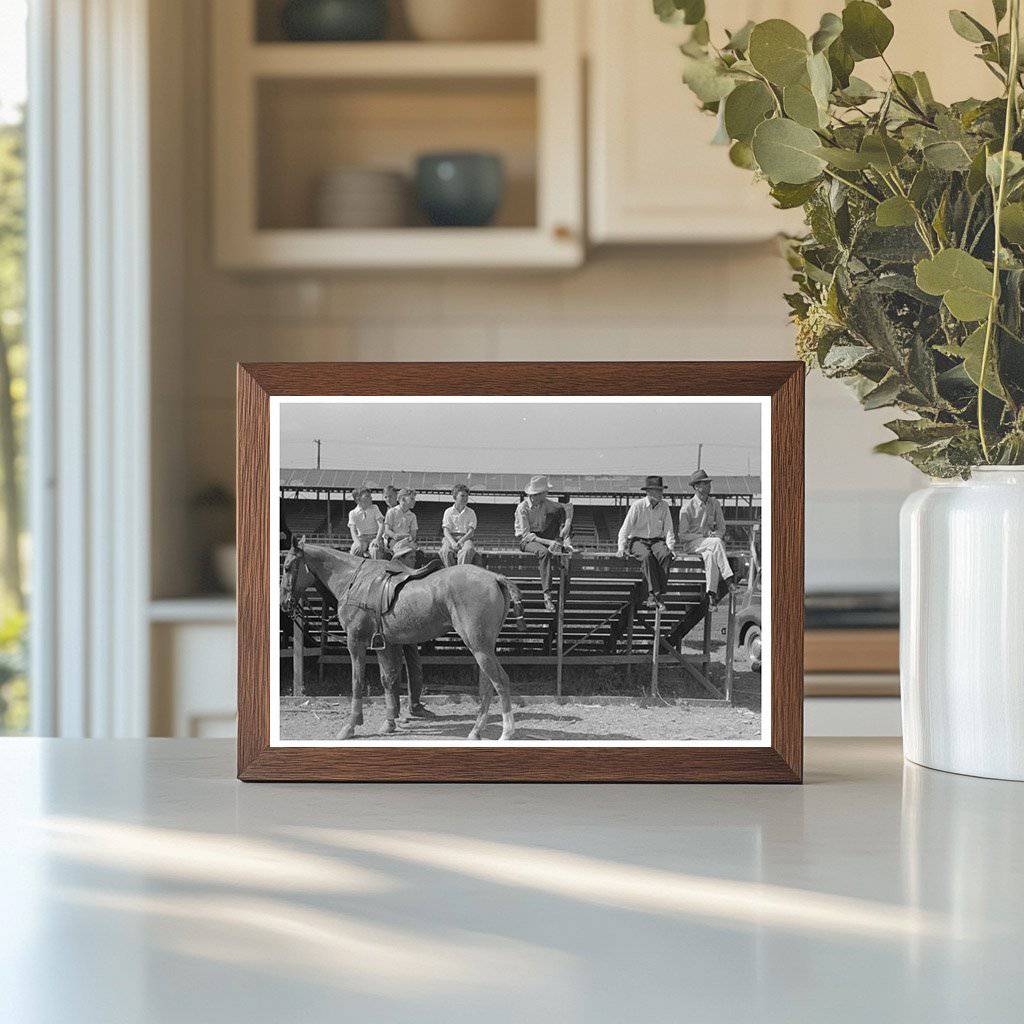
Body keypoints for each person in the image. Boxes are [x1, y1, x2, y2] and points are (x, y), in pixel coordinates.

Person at [678, 468, 736, 605]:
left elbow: (722, 527)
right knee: (715, 543)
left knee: (710, 555)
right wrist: (703, 535)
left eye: (708, 483)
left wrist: (717, 534)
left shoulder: (714, 503)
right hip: (692, 544)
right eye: (705, 484)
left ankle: (711, 595)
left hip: (710, 543)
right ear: (696, 487)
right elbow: (682, 535)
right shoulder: (687, 507)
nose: (709, 486)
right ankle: (729, 580)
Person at [616, 475, 675, 610]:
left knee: (666, 556)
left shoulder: (664, 506)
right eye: (657, 490)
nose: (661, 493)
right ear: (649, 492)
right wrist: (621, 547)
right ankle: (657, 595)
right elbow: (625, 528)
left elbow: (669, 530)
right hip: (638, 540)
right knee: (647, 557)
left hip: (657, 541)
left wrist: (671, 548)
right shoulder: (638, 506)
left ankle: (654, 595)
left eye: (661, 490)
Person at [514, 475, 569, 612]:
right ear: (537, 494)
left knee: (560, 516)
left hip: (544, 535)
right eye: (545, 492)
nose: (547, 494)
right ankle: (547, 594)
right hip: (527, 540)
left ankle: (566, 544)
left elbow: (564, 508)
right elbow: (526, 535)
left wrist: (567, 519)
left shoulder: (547, 504)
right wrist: (549, 542)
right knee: (544, 552)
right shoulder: (523, 508)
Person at [440, 483, 478, 567]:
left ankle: (461, 571)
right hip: (450, 537)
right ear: (455, 497)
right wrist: (453, 542)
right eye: (462, 496)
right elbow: (446, 530)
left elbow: (471, 532)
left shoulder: (471, 512)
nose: (465, 498)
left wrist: (461, 541)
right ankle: (450, 571)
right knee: (445, 551)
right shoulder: (448, 512)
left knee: (468, 550)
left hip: (465, 538)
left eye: (467, 496)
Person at [383, 487, 418, 568]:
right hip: (394, 540)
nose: (414, 501)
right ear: (403, 499)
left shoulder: (412, 516)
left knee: (413, 552)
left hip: (406, 541)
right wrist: (394, 535)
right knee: (402, 552)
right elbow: (387, 530)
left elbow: (413, 534)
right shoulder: (392, 512)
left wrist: (408, 538)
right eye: (412, 499)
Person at [347, 485, 384, 558]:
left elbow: (381, 525)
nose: (371, 498)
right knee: (355, 550)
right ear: (358, 500)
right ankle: (355, 568)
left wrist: (377, 539)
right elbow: (353, 531)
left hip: (374, 536)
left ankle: (375, 568)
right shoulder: (353, 513)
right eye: (367, 496)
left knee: (375, 550)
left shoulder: (375, 508)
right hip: (361, 538)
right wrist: (357, 543)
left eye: (370, 496)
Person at [372, 484, 400, 559]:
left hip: (396, 539)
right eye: (386, 497)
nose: (388, 499)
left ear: (396, 496)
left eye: (390, 496)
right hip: (384, 539)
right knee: (375, 548)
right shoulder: (381, 510)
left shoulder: (400, 511)